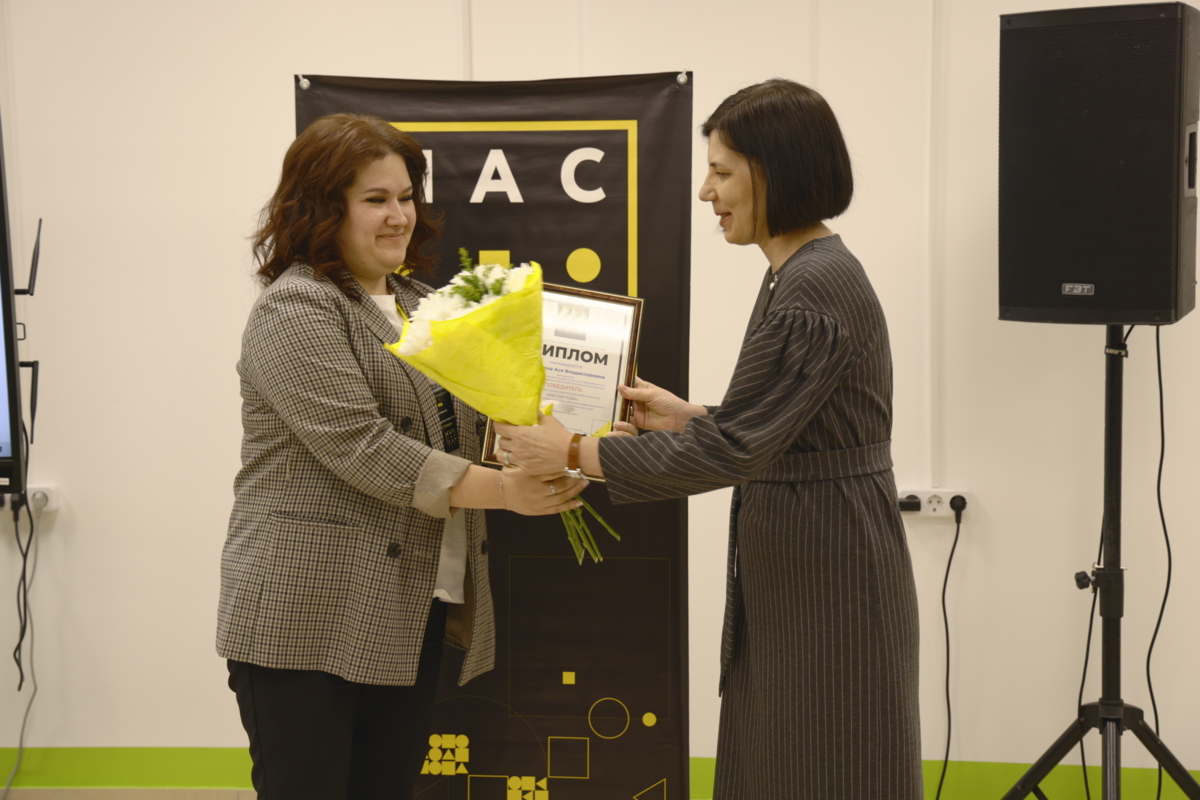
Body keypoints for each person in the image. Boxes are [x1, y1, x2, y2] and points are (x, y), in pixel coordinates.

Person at [496, 80, 922, 799]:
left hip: (828, 574)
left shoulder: (812, 286)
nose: (706, 192)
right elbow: (786, 426)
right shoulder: (802, 274)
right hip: (811, 561)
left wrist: (571, 452)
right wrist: (691, 417)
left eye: (721, 172)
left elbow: (735, 451)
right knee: (792, 759)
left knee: (826, 762)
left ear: (774, 172)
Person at [216, 113, 586, 800]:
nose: (399, 216)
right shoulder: (295, 308)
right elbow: (366, 450)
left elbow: (479, 420)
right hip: (309, 614)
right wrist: (510, 492)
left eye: (407, 197)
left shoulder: (427, 304)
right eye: (375, 199)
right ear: (321, 208)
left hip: (411, 605)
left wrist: (574, 431)